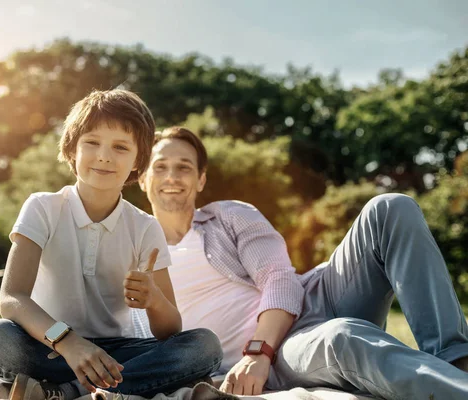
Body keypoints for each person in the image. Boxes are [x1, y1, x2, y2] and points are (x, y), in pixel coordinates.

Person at [136, 126, 468, 399]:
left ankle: (457, 361)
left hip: (312, 299)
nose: (172, 177)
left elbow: (277, 277)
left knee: (390, 208)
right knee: (342, 337)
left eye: (184, 167)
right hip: (288, 352)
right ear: (142, 179)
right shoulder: (133, 255)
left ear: (201, 180)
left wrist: (257, 351)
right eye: (161, 167)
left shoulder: (227, 216)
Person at [0, 94, 222, 400]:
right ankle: (116, 386)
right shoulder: (42, 207)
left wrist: (154, 300)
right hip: (50, 344)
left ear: (138, 162)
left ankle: (66, 392)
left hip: (117, 352)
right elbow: (12, 299)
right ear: (72, 149)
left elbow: (170, 331)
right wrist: (69, 343)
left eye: (121, 147)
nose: (105, 156)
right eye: (92, 143)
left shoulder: (145, 227)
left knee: (204, 346)